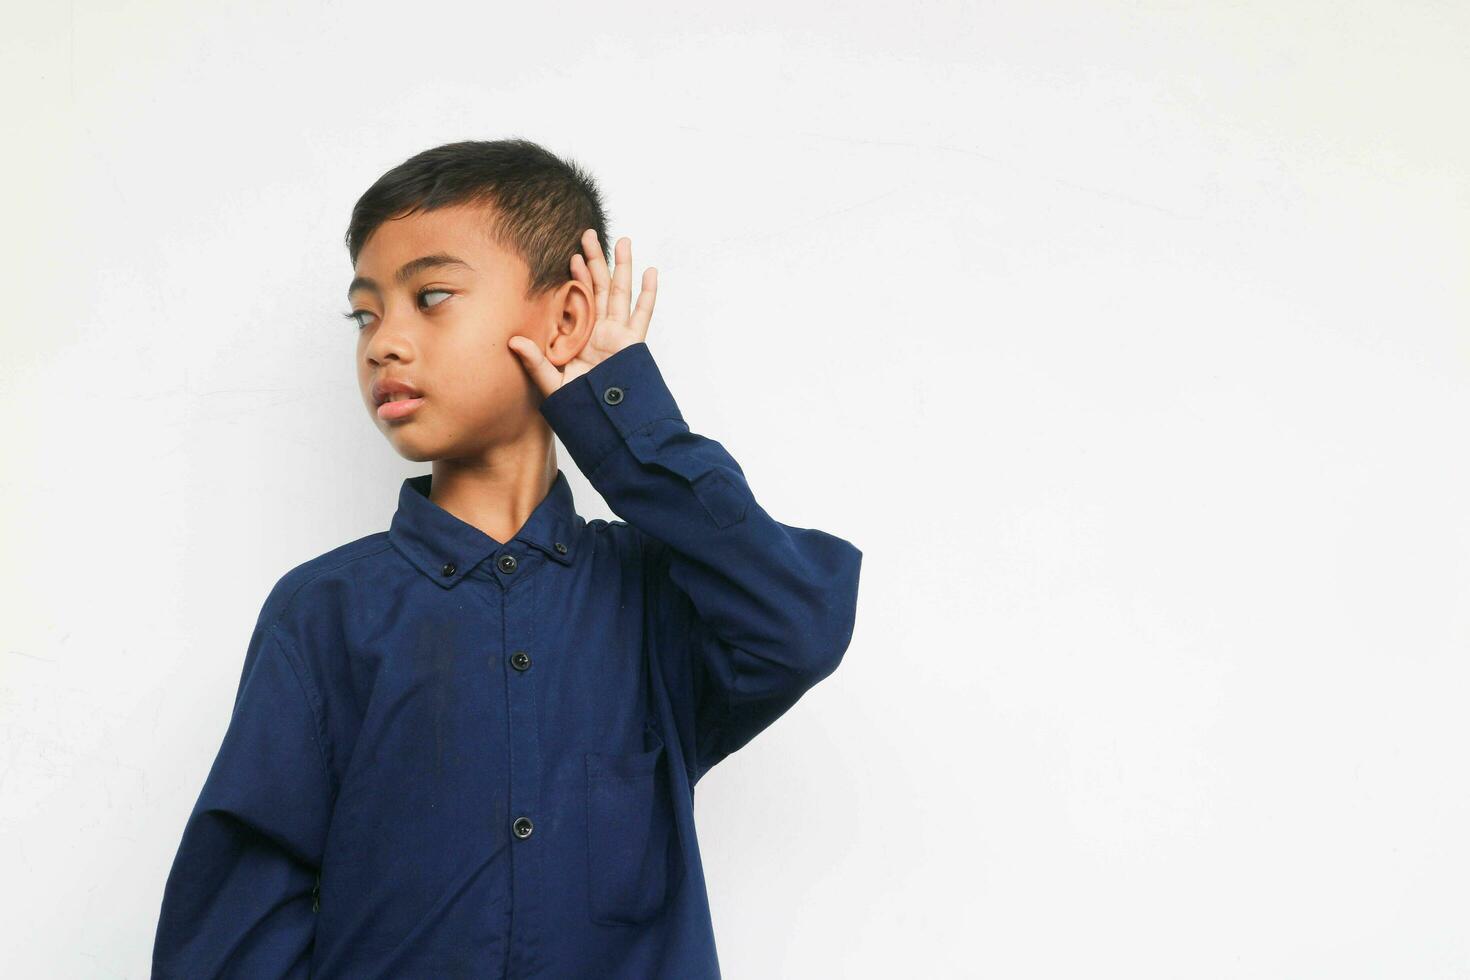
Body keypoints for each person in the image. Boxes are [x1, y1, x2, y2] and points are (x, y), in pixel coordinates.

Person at [150, 138, 863, 979]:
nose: (384, 343)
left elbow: (800, 622)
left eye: (432, 296)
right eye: (367, 313)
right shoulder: (324, 613)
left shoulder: (658, 596)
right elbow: (236, 925)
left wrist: (627, 416)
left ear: (563, 319)